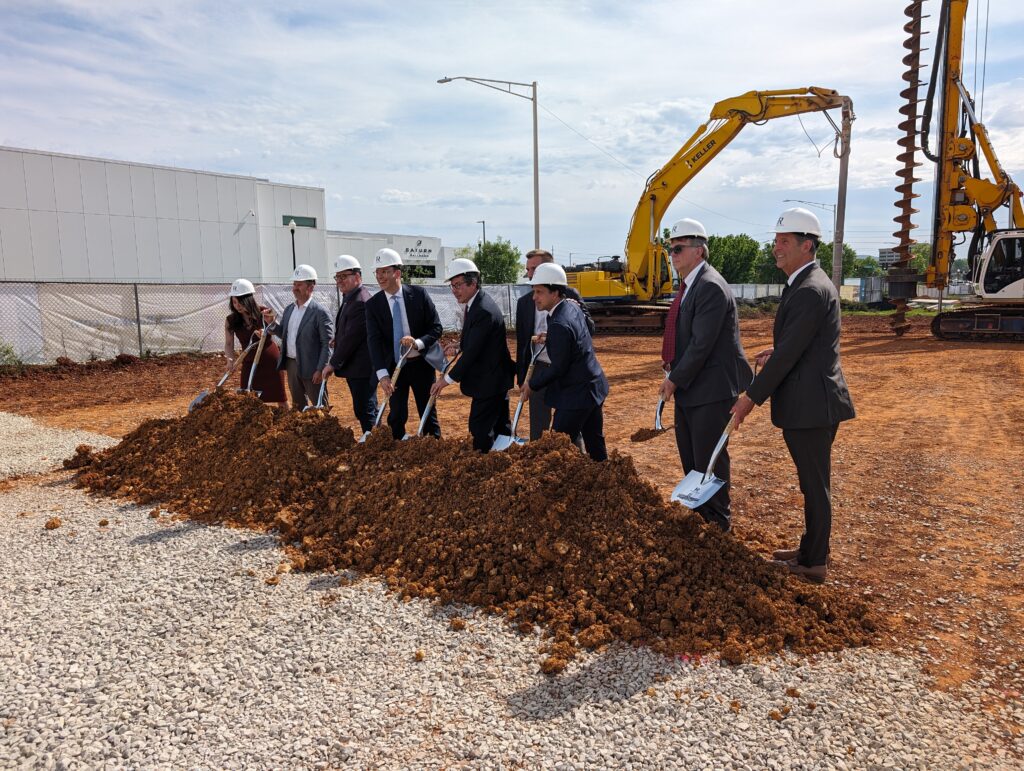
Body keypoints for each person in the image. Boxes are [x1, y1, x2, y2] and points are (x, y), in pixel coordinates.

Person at [730, 207, 856, 583]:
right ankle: (810, 548)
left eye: (783, 242)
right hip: (811, 402)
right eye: (775, 241)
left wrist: (750, 397)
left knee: (815, 485)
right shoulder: (805, 284)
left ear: (807, 245)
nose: (775, 249)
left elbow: (788, 358)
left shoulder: (810, 290)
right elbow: (798, 346)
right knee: (811, 483)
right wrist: (778, 349)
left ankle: (814, 561)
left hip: (812, 406)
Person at [658, 218, 752, 533]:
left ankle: (719, 524)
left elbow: (701, 345)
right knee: (693, 457)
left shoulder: (709, 286)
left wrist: (674, 378)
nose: (673, 255)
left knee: (710, 458)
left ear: (699, 251)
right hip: (692, 387)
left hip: (711, 389)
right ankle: (701, 519)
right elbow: (686, 338)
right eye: (671, 249)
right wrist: (672, 366)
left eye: (678, 248)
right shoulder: (689, 286)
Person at [521, 263, 609, 461]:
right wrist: (552, 338)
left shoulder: (559, 323)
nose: (534, 297)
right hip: (592, 386)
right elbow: (576, 336)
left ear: (555, 293)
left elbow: (559, 367)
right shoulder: (570, 306)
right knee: (595, 443)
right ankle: (604, 480)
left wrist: (532, 384)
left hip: (576, 395)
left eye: (539, 292)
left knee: (556, 449)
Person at [429, 258, 515, 451]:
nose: (454, 290)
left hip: (489, 381)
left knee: (480, 429)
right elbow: (480, 340)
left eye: (458, 285)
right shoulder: (476, 303)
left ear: (473, 283)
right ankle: (504, 463)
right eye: (452, 286)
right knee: (501, 427)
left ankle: (485, 467)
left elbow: (473, 354)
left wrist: (446, 380)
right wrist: (460, 344)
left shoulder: (482, 310)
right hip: (495, 379)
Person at [515, 249, 594, 441]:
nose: (531, 273)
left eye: (535, 268)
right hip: (539, 367)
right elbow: (522, 341)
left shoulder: (569, 295)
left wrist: (577, 312)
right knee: (538, 425)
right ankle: (538, 460)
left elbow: (589, 329)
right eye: (528, 269)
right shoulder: (525, 302)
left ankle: (574, 457)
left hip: (566, 369)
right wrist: (522, 375)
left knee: (567, 424)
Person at [365, 248, 444, 439]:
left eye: (384, 271)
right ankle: (397, 449)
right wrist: (382, 375)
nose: (379, 276)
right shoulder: (373, 305)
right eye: (377, 272)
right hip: (394, 367)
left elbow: (436, 328)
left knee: (427, 411)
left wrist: (417, 343)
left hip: (421, 364)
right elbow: (373, 341)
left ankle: (435, 449)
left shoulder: (419, 295)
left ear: (397, 273)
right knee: (397, 414)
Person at [261, 264, 334, 410]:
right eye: (294, 284)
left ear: (311, 287)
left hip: (312, 365)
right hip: (292, 364)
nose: (295, 288)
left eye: (299, 284)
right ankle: (302, 432)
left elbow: (327, 343)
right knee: (297, 405)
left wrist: (320, 369)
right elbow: (285, 334)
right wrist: (272, 324)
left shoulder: (320, 312)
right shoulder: (289, 310)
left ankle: (327, 431)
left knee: (319, 406)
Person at [320, 255, 376, 433]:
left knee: (365, 409)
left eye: (344, 276)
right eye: (338, 277)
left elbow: (352, 338)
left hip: (361, 367)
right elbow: (352, 331)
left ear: (357, 277)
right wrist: (339, 337)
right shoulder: (352, 297)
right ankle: (374, 439)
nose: (340, 281)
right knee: (364, 408)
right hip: (358, 366)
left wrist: (333, 363)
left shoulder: (360, 301)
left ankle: (374, 442)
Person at [223, 278, 287, 407]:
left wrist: (267, 330)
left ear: (249, 299)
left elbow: (277, 330)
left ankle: (287, 423)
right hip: (249, 360)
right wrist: (230, 360)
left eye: (240, 302)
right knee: (248, 399)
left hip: (270, 360)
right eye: (234, 302)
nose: (237, 306)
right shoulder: (231, 320)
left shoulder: (265, 312)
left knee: (280, 396)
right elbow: (229, 343)